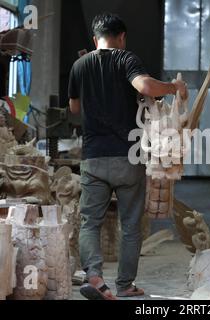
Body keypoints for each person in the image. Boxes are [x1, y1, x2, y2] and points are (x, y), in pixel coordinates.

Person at [68, 12, 188, 300]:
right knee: (131, 225)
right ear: (121, 37)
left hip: (93, 157)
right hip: (128, 156)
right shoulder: (126, 59)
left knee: (90, 222)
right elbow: (146, 87)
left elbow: (73, 108)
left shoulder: (79, 65)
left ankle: (94, 276)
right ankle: (124, 285)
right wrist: (174, 87)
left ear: (95, 39)